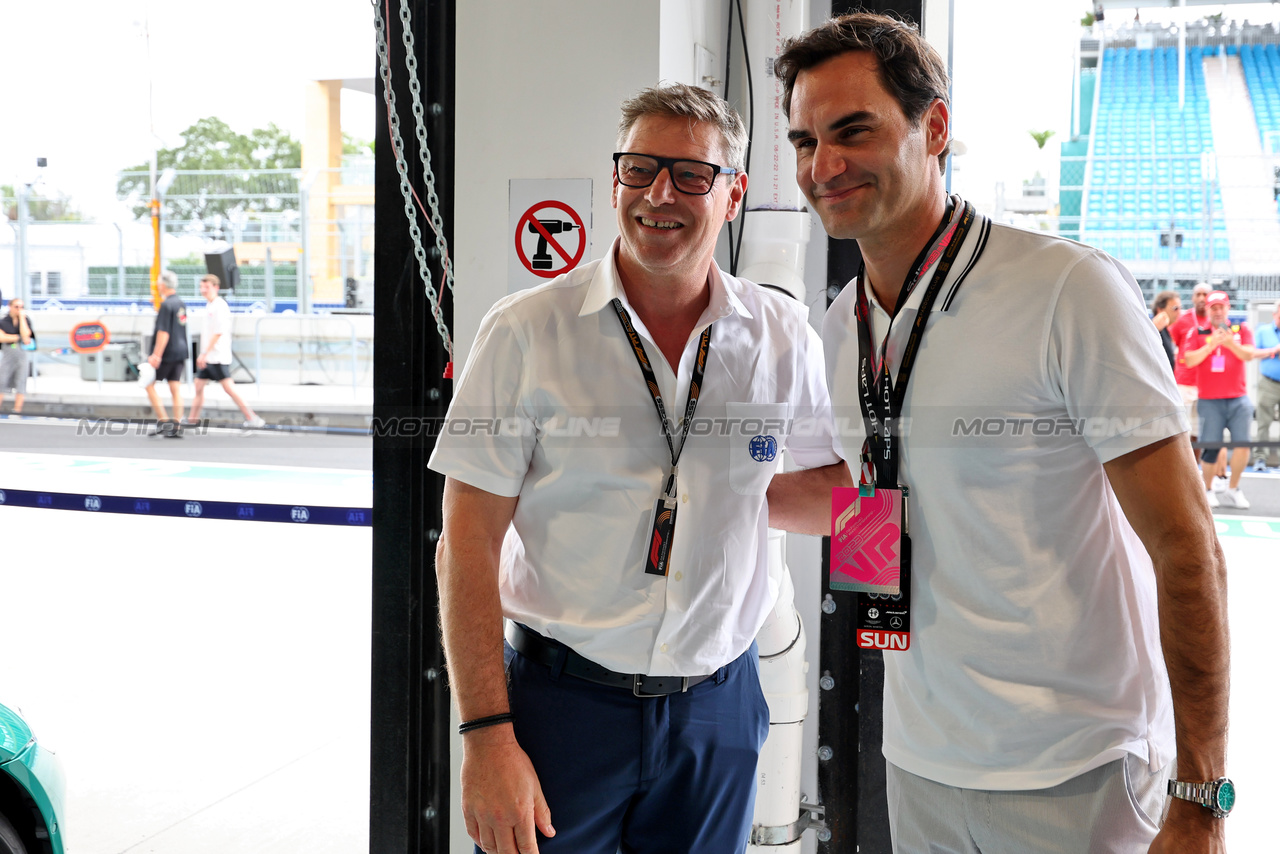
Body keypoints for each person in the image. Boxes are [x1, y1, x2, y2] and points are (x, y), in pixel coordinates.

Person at [776, 12, 1229, 853]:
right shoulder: (841, 328)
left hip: (1077, 771)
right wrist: (697, 486)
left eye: (853, 131)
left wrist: (1200, 797)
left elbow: (1187, 545)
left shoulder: (1066, 290)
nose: (823, 166)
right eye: (804, 141)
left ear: (934, 127)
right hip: (920, 763)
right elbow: (863, 494)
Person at [428, 84, 846, 854]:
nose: (660, 193)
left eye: (691, 174)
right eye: (641, 168)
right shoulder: (527, 331)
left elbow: (837, 494)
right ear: (616, 178)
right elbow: (466, 542)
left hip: (719, 709)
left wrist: (751, 498)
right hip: (560, 705)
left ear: (733, 195)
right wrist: (486, 734)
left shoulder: (784, 334)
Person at [1183, 291, 1280, 508]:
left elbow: (1248, 354)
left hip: (1238, 398)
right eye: (1213, 307)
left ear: (1227, 308)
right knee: (1211, 447)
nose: (1217, 311)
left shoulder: (1241, 329)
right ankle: (1207, 489)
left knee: (1243, 445)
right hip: (1209, 400)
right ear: (1208, 310)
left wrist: (1229, 344)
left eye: (1221, 307)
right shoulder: (1197, 331)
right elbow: (1189, 360)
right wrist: (1210, 345)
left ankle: (1234, 488)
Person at [185, 274, 265, 429]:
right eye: (202, 287)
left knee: (229, 388)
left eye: (206, 287)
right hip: (209, 357)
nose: (203, 290)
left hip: (217, 357)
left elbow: (218, 332)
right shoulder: (210, 305)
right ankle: (192, 419)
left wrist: (204, 353)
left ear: (216, 287)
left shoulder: (219, 306)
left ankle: (252, 417)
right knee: (198, 386)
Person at [145, 270, 189, 437]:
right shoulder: (180, 303)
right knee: (175, 387)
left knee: (148, 384)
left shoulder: (166, 305)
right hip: (181, 349)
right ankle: (177, 425)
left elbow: (163, 332)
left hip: (167, 351)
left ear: (162, 285)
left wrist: (156, 355)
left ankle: (163, 421)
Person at [1251, 301, 1280, 470]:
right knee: (1263, 423)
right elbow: (1253, 352)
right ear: (1275, 314)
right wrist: (1274, 350)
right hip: (1268, 383)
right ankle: (1260, 459)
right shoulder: (1263, 331)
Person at [0, 298, 33, 414]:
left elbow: (26, 336)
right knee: (2, 381)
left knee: (21, 381)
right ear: (10, 306)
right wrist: (18, 338)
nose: (19, 309)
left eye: (21, 307)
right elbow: (1, 337)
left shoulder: (25, 320)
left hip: (21, 355)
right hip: (8, 355)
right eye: (16, 307)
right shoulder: (4, 321)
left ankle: (17, 410)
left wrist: (22, 318)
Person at [1150, 289, 1181, 372]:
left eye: (1180, 308)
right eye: (1175, 308)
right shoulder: (1155, 329)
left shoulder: (1165, 330)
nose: (1179, 312)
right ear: (1160, 310)